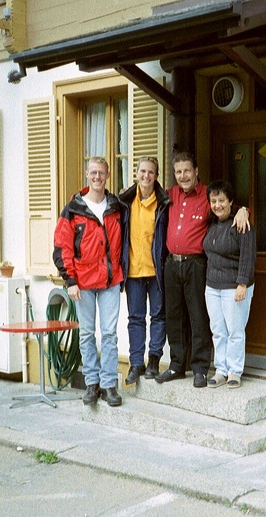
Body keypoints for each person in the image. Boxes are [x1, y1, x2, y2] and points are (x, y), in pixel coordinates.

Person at [155, 152, 249, 388]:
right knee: (173, 317)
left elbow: (226, 209)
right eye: (178, 171)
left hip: (196, 264)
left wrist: (243, 209)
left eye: (187, 170)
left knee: (198, 317)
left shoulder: (208, 195)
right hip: (171, 263)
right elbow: (141, 195)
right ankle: (176, 365)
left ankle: (199, 368)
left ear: (196, 171)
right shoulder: (170, 194)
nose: (183, 175)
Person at [53, 157, 125, 407]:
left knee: (109, 334)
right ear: (87, 175)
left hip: (110, 280)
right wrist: (70, 280)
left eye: (101, 173)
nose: (97, 177)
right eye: (93, 173)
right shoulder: (73, 208)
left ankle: (108, 385)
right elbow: (62, 247)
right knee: (86, 334)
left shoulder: (117, 206)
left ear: (107, 175)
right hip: (82, 283)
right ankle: (92, 384)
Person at [119, 156, 170, 384]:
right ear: (136, 174)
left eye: (151, 172)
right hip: (133, 272)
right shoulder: (124, 201)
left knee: (158, 316)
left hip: (156, 271)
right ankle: (136, 363)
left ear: (156, 176)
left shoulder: (164, 203)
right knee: (135, 319)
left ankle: (154, 360)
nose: (146, 176)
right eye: (142, 172)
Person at [203, 180, 256, 389]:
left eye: (222, 200)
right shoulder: (211, 223)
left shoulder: (241, 224)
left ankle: (235, 370)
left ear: (231, 201)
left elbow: (248, 255)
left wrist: (242, 283)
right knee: (218, 330)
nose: (217, 205)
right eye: (214, 201)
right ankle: (221, 370)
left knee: (235, 330)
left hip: (234, 286)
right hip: (212, 286)